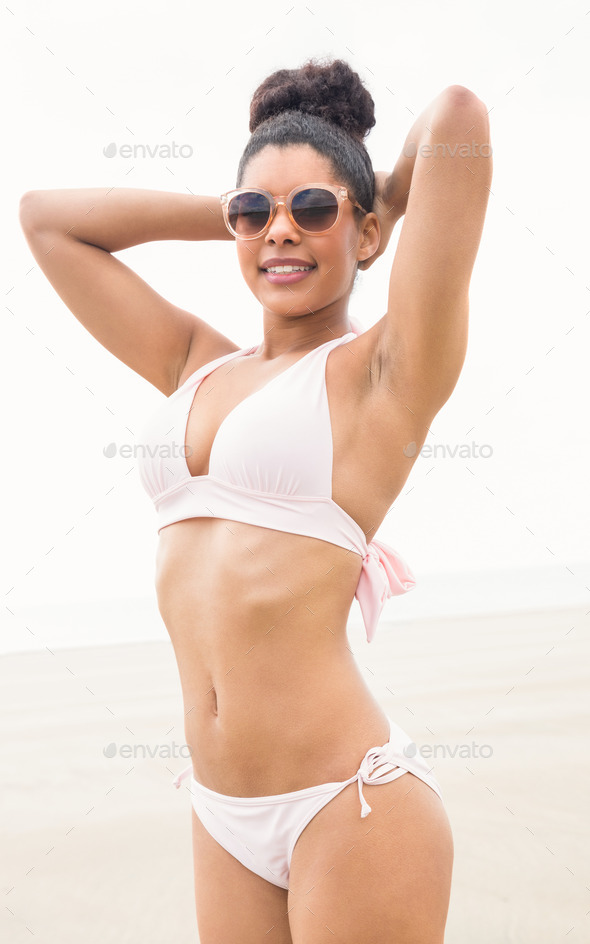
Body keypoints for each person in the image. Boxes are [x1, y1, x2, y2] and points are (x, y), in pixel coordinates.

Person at [19, 57, 492, 944]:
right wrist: (254, 208)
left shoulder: (384, 372)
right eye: (255, 214)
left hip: (348, 805)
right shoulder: (199, 363)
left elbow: (460, 117)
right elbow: (47, 221)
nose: (281, 232)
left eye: (313, 210)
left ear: (369, 233)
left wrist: (369, 192)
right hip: (221, 809)